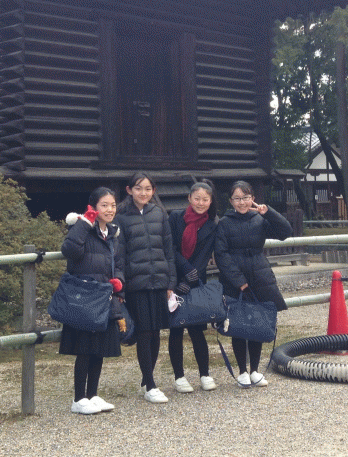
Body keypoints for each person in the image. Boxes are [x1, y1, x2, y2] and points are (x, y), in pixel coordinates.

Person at [214, 180, 293, 388]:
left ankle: (255, 370)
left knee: (258, 323)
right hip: (235, 280)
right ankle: (242, 371)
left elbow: (285, 232)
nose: (242, 202)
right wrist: (239, 281)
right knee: (238, 325)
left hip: (259, 275)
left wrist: (269, 213)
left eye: (246, 197)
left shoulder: (259, 219)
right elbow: (221, 255)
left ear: (253, 199)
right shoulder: (224, 223)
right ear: (231, 201)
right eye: (237, 198)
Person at [59, 187, 125, 415]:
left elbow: (119, 263)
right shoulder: (83, 227)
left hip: (105, 295)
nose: (110, 209)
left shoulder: (113, 234)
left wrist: (119, 282)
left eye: (113, 205)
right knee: (85, 349)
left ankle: (93, 394)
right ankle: (79, 398)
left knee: (99, 348)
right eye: (104, 205)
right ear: (93, 208)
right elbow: (69, 250)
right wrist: (85, 223)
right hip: (85, 296)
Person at [114, 172, 177, 403]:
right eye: (139, 188)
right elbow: (119, 255)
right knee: (144, 332)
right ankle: (150, 384)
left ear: (153, 191)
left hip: (158, 281)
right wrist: (121, 287)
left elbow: (168, 250)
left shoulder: (159, 213)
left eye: (148, 189)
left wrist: (170, 281)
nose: (143, 193)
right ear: (129, 190)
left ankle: (146, 380)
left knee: (156, 331)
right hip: (136, 283)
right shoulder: (121, 217)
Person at [167, 180, 218, 393]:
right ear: (189, 198)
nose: (200, 203)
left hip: (196, 280)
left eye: (205, 199)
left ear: (210, 201)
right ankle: (179, 376)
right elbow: (170, 248)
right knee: (176, 328)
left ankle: (204, 374)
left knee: (197, 328)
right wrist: (183, 274)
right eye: (197, 198)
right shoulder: (175, 217)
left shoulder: (212, 224)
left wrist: (190, 279)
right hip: (174, 277)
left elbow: (205, 255)